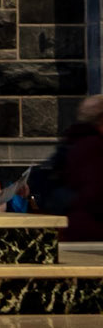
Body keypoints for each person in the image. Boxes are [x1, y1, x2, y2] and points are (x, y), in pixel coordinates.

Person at [60, 92, 103, 240]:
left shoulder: (74, 141)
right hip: (92, 228)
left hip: (79, 224)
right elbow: (94, 193)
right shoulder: (93, 146)